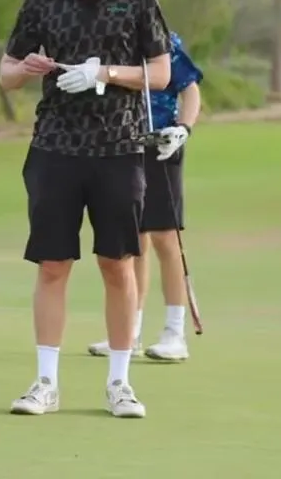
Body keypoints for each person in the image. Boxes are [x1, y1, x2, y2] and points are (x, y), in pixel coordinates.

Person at [0, 0, 172, 419]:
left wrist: (105, 73)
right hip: (55, 147)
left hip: (118, 147)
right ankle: (45, 383)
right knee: (53, 264)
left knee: (117, 264)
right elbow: (6, 75)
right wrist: (27, 68)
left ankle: (120, 383)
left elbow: (161, 73)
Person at [87, 30, 203, 362]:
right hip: (122, 146)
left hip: (162, 143)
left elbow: (190, 90)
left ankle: (174, 333)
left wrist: (184, 129)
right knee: (133, 240)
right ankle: (130, 331)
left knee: (165, 238)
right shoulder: (108, 40)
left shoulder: (164, 41)